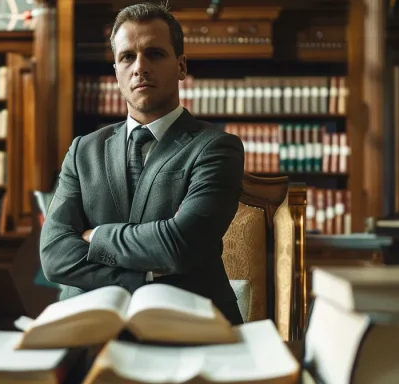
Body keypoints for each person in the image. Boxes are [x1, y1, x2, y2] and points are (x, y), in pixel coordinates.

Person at [39, 2, 245, 325]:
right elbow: (54, 254)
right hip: (90, 329)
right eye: (127, 57)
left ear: (181, 66)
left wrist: (95, 237)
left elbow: (180, 244)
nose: (139, 67)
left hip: (189, 329)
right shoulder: (83, 151)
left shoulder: (217, 148)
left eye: (155, 54)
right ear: (116, 72)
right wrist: (142, 277)